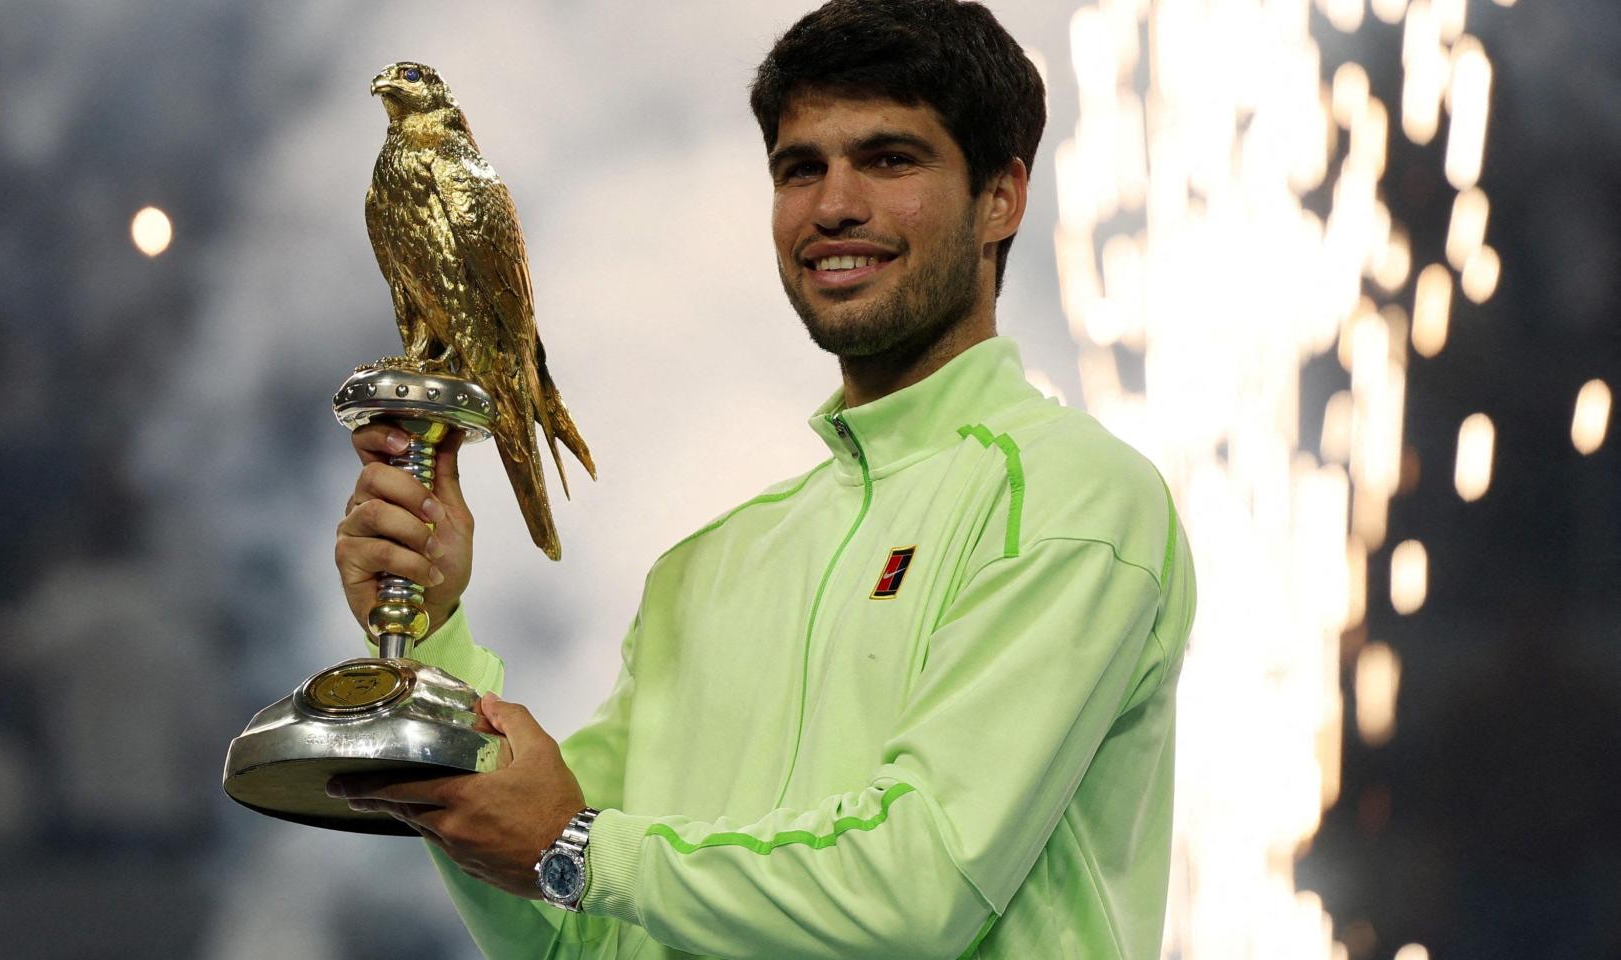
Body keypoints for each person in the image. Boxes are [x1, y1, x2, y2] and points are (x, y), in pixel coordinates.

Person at [328, 1, 1196, 956]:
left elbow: (917, 889)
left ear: (1002, 196)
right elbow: (574, 937)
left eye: (891, 159)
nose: (834, 205)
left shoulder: (1073, 501)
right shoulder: (705, 572)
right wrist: (438, 630)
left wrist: (576, 847)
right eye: (800, 168)